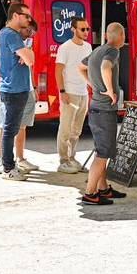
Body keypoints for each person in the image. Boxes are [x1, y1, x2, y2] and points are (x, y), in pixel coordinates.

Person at [81, 23, 127, 206]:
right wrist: (109, 90)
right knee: (102, 154)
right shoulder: (113, 51)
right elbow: (105, 68)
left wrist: (93, 85)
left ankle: (103, 189)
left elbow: (79, 67)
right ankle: (89, 193)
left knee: (101, 150)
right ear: (121, 35)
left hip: (95, 108)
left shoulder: (97, 50)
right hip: (104, 110)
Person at [0, 17, 40, 174]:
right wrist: (26, 54)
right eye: (28, 30)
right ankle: (4, 162)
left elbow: (30, 63)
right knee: (5, 126)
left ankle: (19, 159)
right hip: (11, 88)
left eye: (32, 32)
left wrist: (33, 85)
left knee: (21, 125)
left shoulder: (24, 43)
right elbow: (3, 61)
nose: (30, 35)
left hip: (25, 87)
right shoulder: (7, 37)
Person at [54, 16, 93, 174]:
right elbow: (58, 71)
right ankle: (63, 161)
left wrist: (93, 87)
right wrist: (62, 91)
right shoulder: (65, 47)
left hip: (83, 93)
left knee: (76, 129)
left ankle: (72, 157)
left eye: (87, 29)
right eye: (82, 29)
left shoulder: (88, 46)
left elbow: (88, 69)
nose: (86, 32)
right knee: (65, 128)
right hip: (70, 93)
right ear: (73, 29)